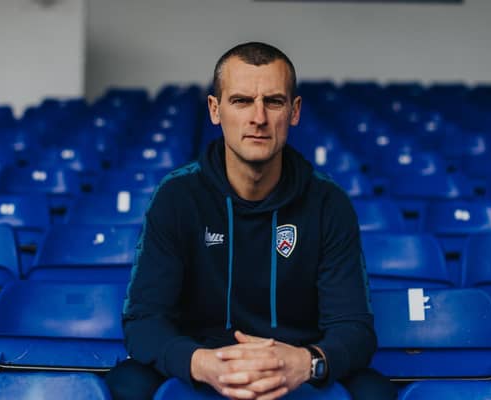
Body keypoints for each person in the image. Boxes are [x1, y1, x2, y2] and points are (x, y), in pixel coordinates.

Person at [105, 42, 398, 400]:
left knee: (375, 393)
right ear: (215, 110)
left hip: (294, 364)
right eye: (241, 101)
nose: (258, 118)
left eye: (273, 101)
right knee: (126, 386)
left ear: (294, 111)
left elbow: (354, 327)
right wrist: (202, 363)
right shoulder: (177, 196)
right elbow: (144, 320)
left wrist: (307, 362)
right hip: (205, 360)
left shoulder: (328, 202)